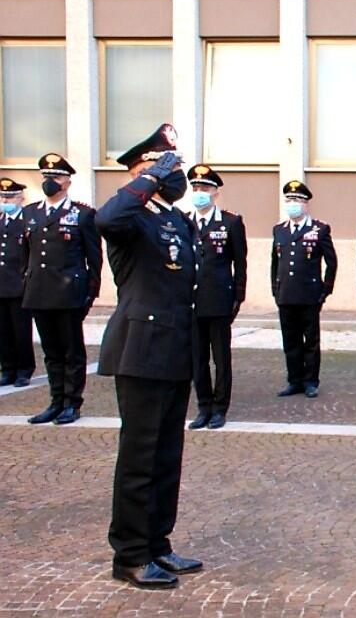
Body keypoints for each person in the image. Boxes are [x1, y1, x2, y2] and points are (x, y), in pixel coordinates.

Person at [98, 123, 202, 589]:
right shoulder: (133, 215)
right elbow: (106, 219)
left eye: (173, 165)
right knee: (139, 456)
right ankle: (130, 555)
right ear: (143, 171)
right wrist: (146, 179)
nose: (174, 174)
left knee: (166, 454)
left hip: (175, 347)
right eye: (166, 166)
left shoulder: (174, 219)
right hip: (141, 348)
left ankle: (158, 543)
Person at [24, 153, 102, 425]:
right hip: (40, 292)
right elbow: (26, 254)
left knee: (72, 351)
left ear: (67, 182)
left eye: (55, 177)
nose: (50, 182)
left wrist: (90, 293)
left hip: (69, 292)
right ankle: (55, 401)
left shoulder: (82, 214)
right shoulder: (30, 212)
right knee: (51, 352)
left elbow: (94, 258)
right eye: (46, 177)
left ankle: (72, 403)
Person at [186, 166, 247, 430]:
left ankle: (220, 408)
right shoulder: (183, 221)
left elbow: (240, 264)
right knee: (197, 359)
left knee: (221, 358)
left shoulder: (230, 222)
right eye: (196, 188)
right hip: (191, 302)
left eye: (205, 189)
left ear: (216, 193)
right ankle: (203, 406)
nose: (200, 193)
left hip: (219, 300)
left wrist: (237, 298)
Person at [271, 180, 336, 399]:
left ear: (306, 203)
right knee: (290, 340)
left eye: (297, 200)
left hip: (309, 294)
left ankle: (311, 381)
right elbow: (275, 262)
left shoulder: (319, 229)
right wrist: (275, 289)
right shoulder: (279, 230)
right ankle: (294, 380)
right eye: (289, 200)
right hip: (286, 294)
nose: (293, 204)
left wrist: (325, 290)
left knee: (311, 340)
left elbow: (331, 262)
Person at [0, 178, 35, 388]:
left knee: (21, 330)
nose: (6, 200)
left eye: (10, 196)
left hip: (19, 285)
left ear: (21, 197)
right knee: (3, 331)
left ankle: (24, 369)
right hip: (1, 284)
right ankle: (8, 368)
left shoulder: (27, 221)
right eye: (3, 197)